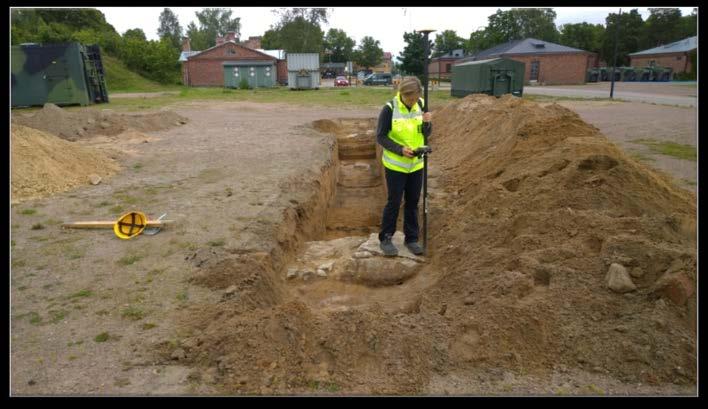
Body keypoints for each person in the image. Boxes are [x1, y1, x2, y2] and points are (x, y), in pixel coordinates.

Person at [376, 76, 432, 256]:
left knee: (413, 202)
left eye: (415, 98)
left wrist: (427, 123)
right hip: (396, 166)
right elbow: (381, 136)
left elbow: (426, 133)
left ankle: (412, 239)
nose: (412, 101)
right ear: (402, 94)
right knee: (394, 202)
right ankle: (386, 238)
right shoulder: (389, 109)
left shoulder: (422, 105)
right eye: (409, 98)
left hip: (416, 165)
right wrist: (400, 149)